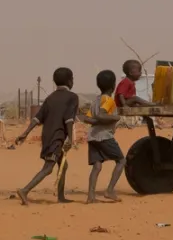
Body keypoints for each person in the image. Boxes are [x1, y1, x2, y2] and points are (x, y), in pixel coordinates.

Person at [14, 67, 79, 205]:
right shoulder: (72, 97)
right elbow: (69, 119)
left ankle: (61, 196)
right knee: (48, 168)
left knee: (63, 165)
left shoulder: (50, 98)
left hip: (48, 137)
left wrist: (25, 133)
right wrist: (70, 139)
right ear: (69, 81)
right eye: (72, 79)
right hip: (57, 138)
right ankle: (25, 190)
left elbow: (37, 118)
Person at [79, 70, 124, 204]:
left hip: (92, 137)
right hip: (104, 136)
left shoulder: (95, 101)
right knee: (121, 161)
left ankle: (91, 196)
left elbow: (87, 119)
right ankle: (110, 190)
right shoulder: (108, 100)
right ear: (113, 86)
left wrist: (99, 121)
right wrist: (115, 117)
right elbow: (101, 115)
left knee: (97, 166)